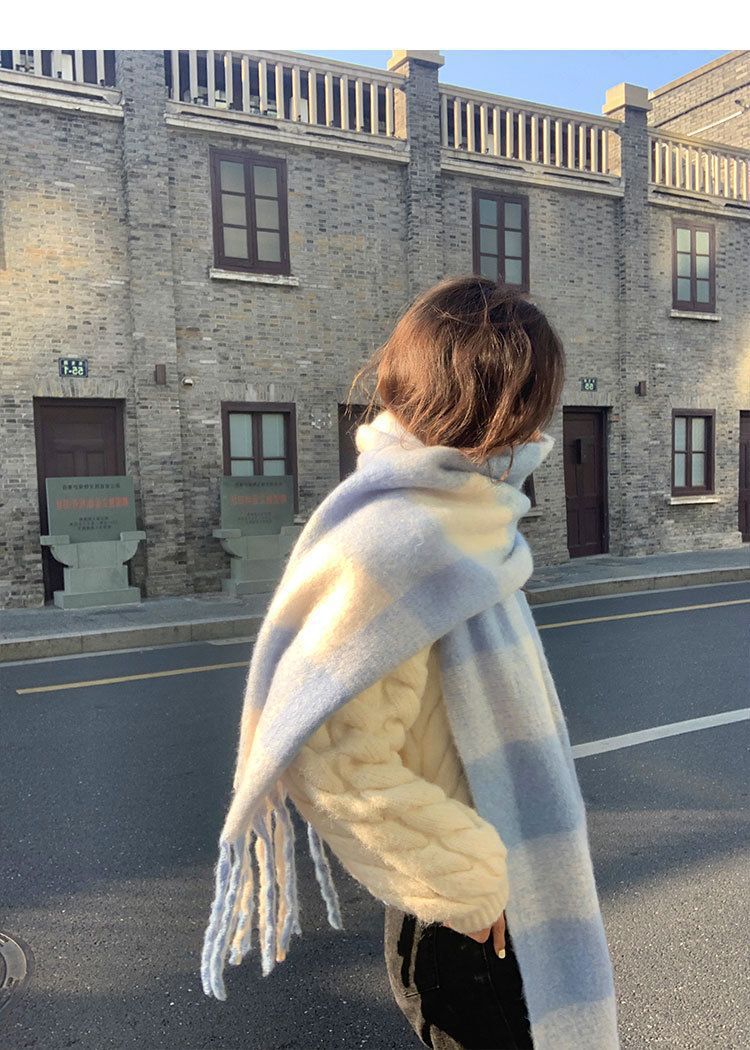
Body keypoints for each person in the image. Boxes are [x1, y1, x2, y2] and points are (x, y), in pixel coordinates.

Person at [201, 275, 620, 1050]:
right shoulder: (398, 539)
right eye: (535, 402)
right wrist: (475, 883)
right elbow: (334, 760)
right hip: (467, 927)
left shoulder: (464, 519)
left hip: (489, 909)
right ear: (496, 404)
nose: (540, 427)